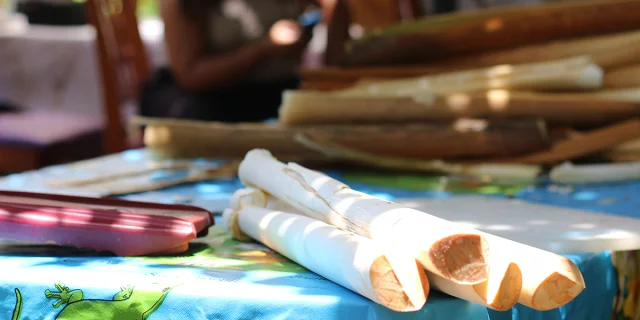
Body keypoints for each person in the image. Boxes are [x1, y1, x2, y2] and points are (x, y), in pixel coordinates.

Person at [140, 0, 350, 123]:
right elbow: (190, 75)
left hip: (278, 97)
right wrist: (263, 50)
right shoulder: (185, 5)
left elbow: (333, 15)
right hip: (213, 104)